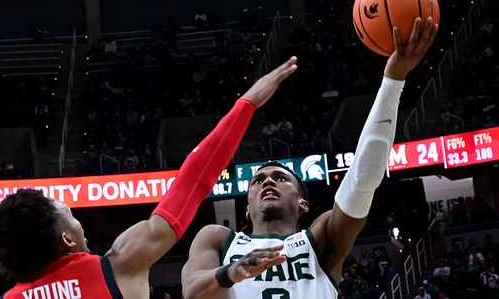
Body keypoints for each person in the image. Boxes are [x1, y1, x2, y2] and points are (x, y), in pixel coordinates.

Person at [0, 57, 300, 298]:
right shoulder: (118, 265)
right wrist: (246, 104)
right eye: (71, 216)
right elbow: (193, 180)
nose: (78, 222)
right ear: (66, 239)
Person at [181, 17, 437, 299]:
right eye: (257, 181)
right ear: (246, 208)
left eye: (281, 178)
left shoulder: (320, 238)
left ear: (303, 203)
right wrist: (233, 270)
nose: (268, 182)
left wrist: (393, 81)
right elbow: (193, 293)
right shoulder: (218, 239)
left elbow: (362, 180)